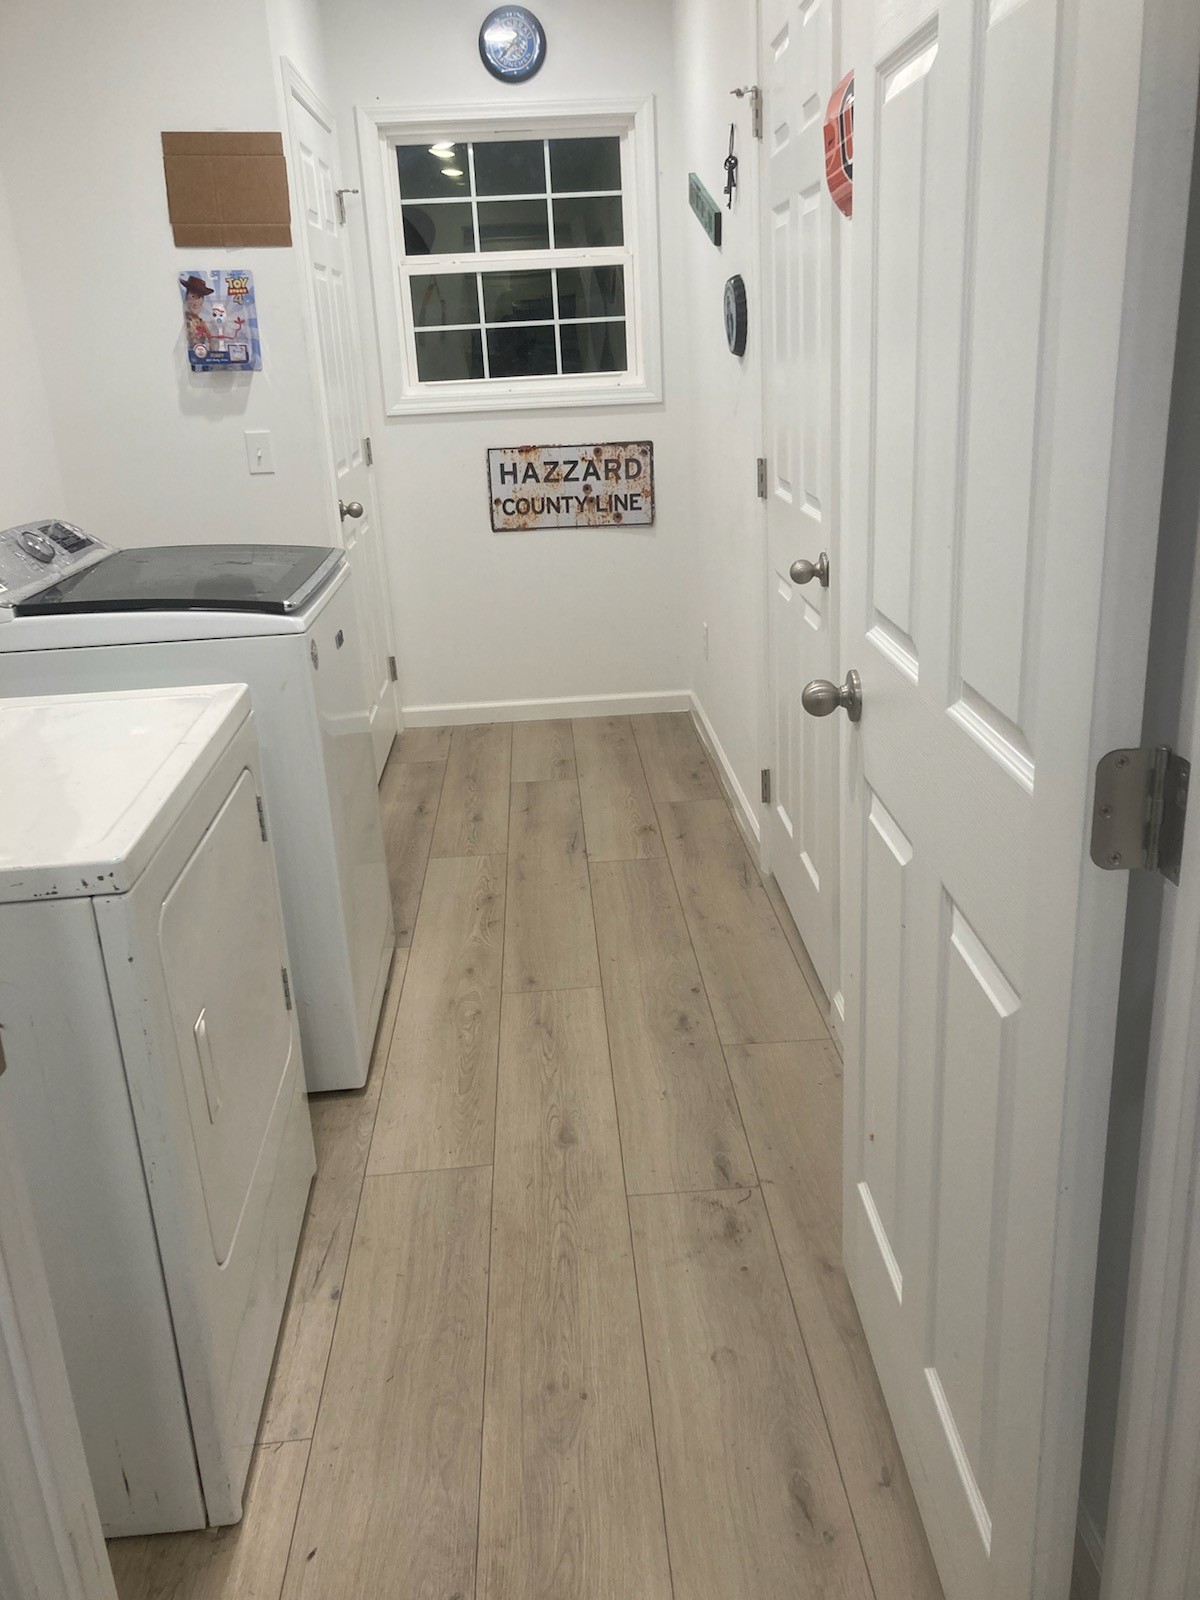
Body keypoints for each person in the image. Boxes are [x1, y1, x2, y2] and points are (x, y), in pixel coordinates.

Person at [180, 274, 214, 354]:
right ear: (186, 297)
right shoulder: (185, 320)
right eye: (193, 296)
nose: (196, 302)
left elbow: (210, 340)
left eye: (199, 298)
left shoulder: (201, 322)